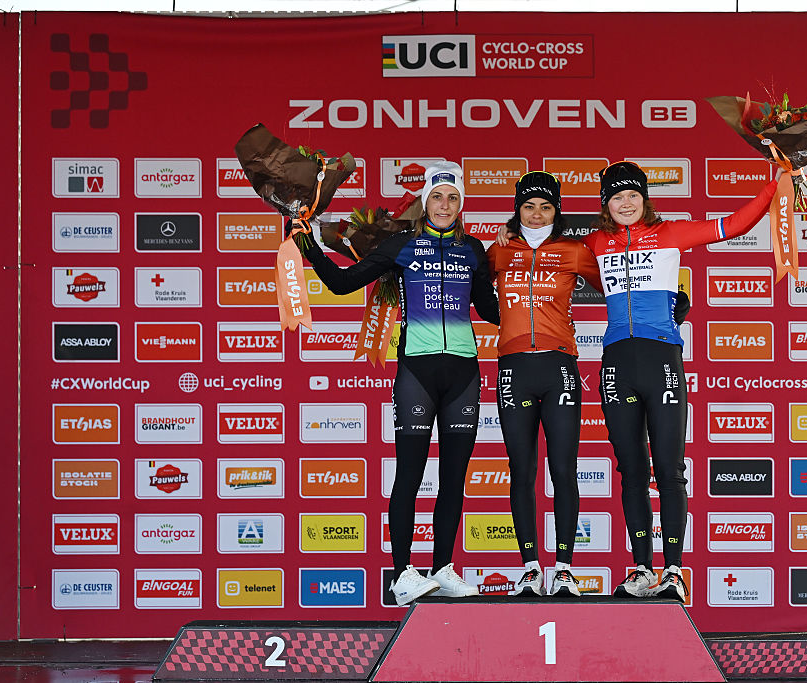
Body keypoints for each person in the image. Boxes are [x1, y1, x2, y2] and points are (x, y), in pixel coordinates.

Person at [303, 161, 500, 606]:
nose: (444, 205)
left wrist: (534, 303)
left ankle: (443, 567)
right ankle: (401, 575)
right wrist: (310, 247)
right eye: (436, 196)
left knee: (454, 479)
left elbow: (489, 310)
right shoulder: (402, 245)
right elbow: (341, 283)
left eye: (452, 197)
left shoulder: (473, 249)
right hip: (417, 372)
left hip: (465, 373)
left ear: (461, 203)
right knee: (409, 476)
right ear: (423, 202)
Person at [582, 161, 779, 601]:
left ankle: (673, 571)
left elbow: (734, 224)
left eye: (632, 196)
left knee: (669, 471)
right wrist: (507, 235)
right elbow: (546, 254)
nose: (626, 204)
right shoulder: (596, 241)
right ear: (606, 204)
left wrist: (775, 185)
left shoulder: (671, 233)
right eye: (617, 197)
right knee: (631, 471)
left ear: (645, 199)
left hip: (661, 359)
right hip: (617, 361)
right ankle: (639, 568)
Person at [487, 172, 604, 597]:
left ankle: (566, 567)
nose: (537, 214)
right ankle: (532, 566)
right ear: (517, 210)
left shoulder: (574, 251)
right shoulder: (499, 251)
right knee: (522, 470)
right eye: (529, 206)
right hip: (514, 367)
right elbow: (472, 287)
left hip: (559, 367)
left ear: (557, 211)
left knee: (563, 469)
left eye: (546, 207)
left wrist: (667, 303)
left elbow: (618, 285)